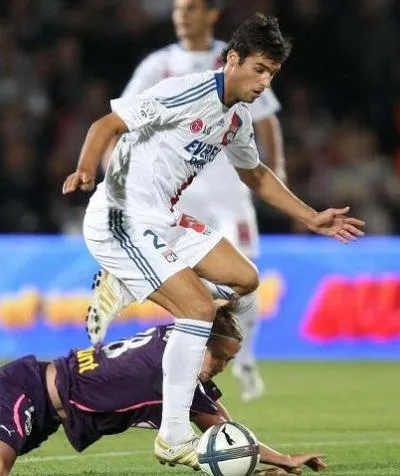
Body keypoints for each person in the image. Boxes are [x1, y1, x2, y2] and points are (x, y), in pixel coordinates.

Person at [62, 13, 364, 470]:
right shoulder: (186, 92)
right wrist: (86, 169)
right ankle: (172, 436)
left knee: (245, 278)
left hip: (164, 219)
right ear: (233, 59)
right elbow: (106, 125)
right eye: (259, 70)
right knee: (198, 309)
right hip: (120, 217)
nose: (264, 82)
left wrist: (310, 217)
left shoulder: (236, 118)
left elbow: (255, 175)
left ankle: (151, 305)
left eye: (272, 74)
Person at [118, 0, 287, 403]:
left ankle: (245, 359)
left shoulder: (239, 61)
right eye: (178, 8)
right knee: (183, 273)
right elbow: (124, 118)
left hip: (230, 188)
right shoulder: (159, 64)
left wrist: (277, 167)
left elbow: (266, 119)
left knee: (246, 273)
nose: (182, 15)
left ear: (212, 14)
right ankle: (200, 354)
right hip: (179, 189)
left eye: (191, 7)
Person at [0, 304, 327, 475]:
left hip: (44, 409)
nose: (223, 367)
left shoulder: (173, 340)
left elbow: (221, 427)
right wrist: (284, 459)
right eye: (220, 358)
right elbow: (220, 431)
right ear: (202, 346)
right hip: (24, 391)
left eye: (230, 361)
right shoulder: (172, 370)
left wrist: (258, 467)